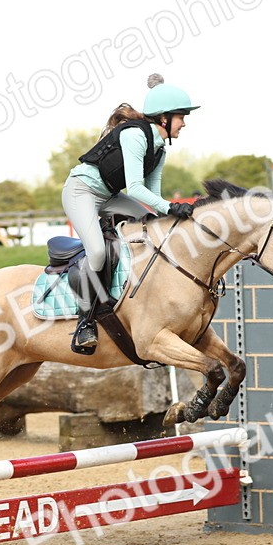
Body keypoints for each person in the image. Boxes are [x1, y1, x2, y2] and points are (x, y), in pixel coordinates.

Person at [62, 73, 198, 352]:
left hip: (110, 196)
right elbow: (136, 188)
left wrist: (169, 214)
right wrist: (171, 207)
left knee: (153, 224)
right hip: (81, 192)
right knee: (97, 252)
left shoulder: (160, 151)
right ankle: (85, 321)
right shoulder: (136, 135)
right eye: (181, 117)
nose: (184, 123)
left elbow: (154, 198)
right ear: (164, 118)